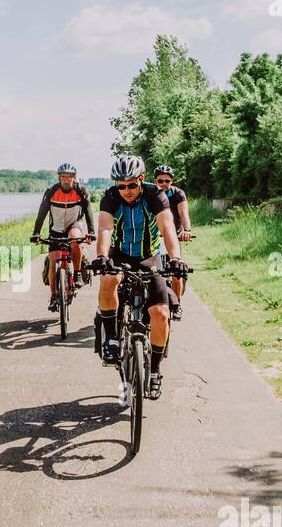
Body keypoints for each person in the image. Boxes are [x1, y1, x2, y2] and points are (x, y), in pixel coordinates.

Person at [91, 155, 186, 398]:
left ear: (141, 180)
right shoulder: (111, 197)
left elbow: (166, 228)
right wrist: (102, 256)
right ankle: (112, 339)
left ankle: (154, 371)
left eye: (132, 185)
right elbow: (105, 228)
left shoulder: (155, 195)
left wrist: (175, 259)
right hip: (120, 253)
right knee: (108, 278)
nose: (127, 191)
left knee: (161, 313)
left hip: (148, 256)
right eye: (121, 185)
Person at [30, 162, 95, 308]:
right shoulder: (52, 191)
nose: (66, 180)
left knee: (74, 239)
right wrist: (36, 232)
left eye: (69, 177)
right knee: (53, 261)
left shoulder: (81, 191)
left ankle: (78, 274)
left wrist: (91, 231)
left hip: (74, 223)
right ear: (59, 178)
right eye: (63, 177)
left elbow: (89, 211)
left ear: (74, 178)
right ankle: (54, 296)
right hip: (56, 228)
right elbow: (42, 213)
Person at [153, 164, 193, 320]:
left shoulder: (178, 194)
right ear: (154, 181)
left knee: (177, 271)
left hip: (172, 237)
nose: (164, 184)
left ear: (172, 181)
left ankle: (177, 305)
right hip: (154, 238)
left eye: (167, 181)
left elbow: (184, 213)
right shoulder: (150, 194)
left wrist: (187, 230)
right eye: (160, 180)